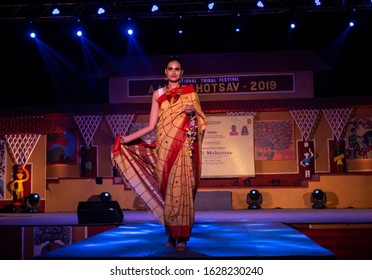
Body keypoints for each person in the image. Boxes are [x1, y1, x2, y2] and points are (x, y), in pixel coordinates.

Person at [111, 56, 207, 252]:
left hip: (182, 148)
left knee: (183, 191)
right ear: (165, 72)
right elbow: (152, 126)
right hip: (164, 148)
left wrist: (192, 114)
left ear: (182, 73)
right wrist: (128, 139)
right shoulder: (157, 94)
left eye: (177, 69)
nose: (173, 72)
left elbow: (201, 120)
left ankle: (182, 238)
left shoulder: (190, 93)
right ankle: (171, 233)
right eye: (170, 69)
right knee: (169, 193)